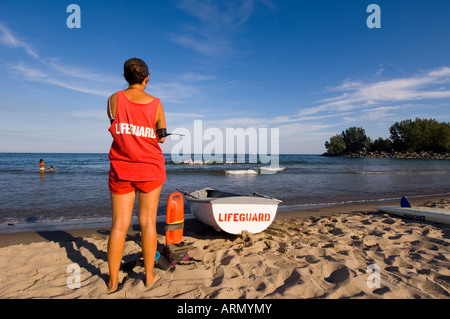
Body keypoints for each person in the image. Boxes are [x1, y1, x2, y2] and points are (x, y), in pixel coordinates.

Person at [106, 57, 167, 293]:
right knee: (148, 223)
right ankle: (149, 276)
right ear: (147, 79)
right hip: (150, 168)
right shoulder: (156, 103)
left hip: (121, 168)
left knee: (119, 226)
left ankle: (112, 282)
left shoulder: (113, 99)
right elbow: (160, 136)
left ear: (125, 77)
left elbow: (116, 125)